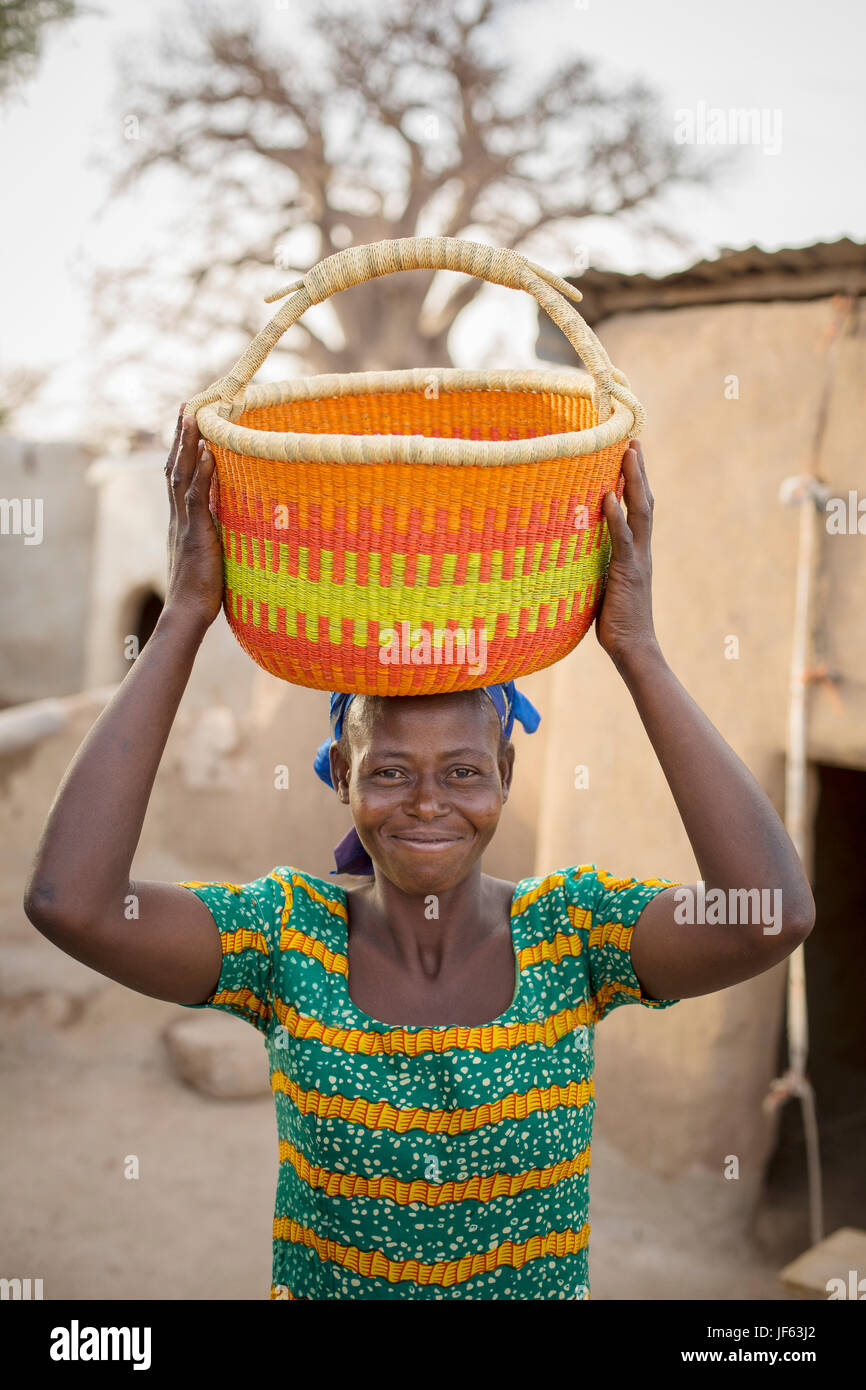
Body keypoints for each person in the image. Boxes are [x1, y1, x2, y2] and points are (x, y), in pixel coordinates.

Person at [24, 408, 815, 1301]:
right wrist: (185, 617)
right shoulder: (286, 937)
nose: (429, 801)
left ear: (506, 774)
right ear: (342, 779)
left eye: (465, 770)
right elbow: (71, 903)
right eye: (390, 770)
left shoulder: (574, 933)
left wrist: (637, 648)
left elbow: (771, 916)